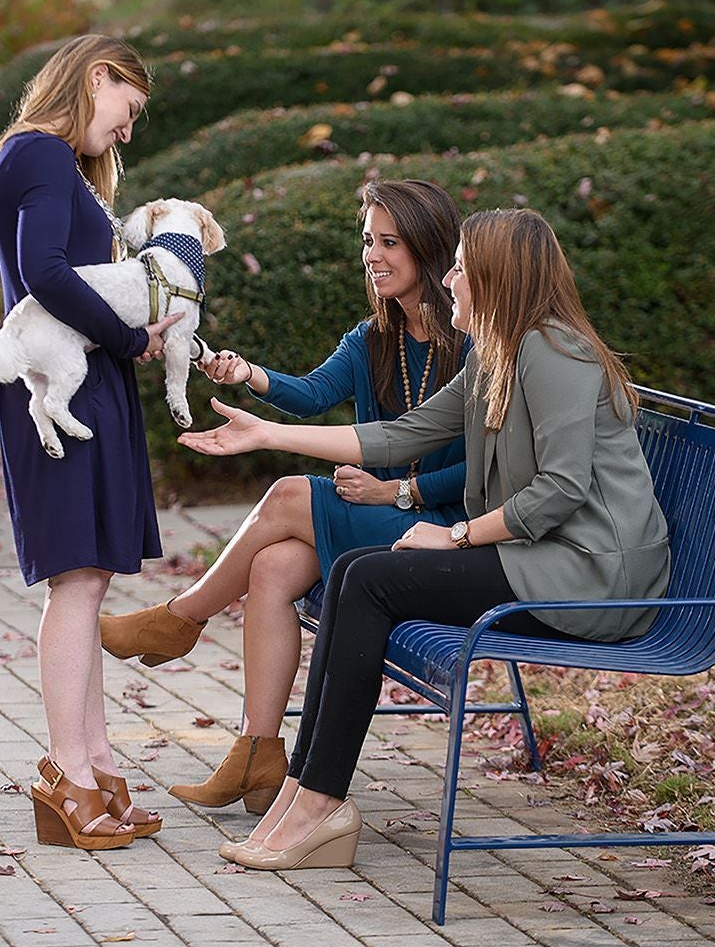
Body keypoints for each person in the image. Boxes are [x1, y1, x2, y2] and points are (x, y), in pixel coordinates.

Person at [177, 207, 671, 871]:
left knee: (371, 581)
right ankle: (304, 791)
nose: (451, 280)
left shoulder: (553, 351)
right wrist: (266, 434)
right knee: (358, 572)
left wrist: (456, 537)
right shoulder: (500, 352)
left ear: (496, 279)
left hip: (591, 576)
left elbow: (560, 492)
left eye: (463, 267)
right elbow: (400, 436)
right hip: (545, 558)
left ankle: (317, 801)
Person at [98, 179, 470, 815]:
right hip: (384, 515)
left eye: (389, 243)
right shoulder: (373, 338)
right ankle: (258, 754)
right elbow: (313, 392)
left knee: (291, 492)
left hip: (445, 530)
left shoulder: (473, 344)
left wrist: (399, 491)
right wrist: (249, 376)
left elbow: (484, 475)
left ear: (431, 250)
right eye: (366, 242)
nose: (371, 256)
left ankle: (181, 619)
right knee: (272, 568)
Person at [0, 34, 187, 851]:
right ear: (96, 77)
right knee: (75, 583)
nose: (129, 132)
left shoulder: (54, 165)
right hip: (56, 383)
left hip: (88, 380)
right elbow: (43, 271)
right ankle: (68, 770)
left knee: (91, 579)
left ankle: (96, 762)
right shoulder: (33, 152)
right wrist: (128, 336)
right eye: (128, 110)